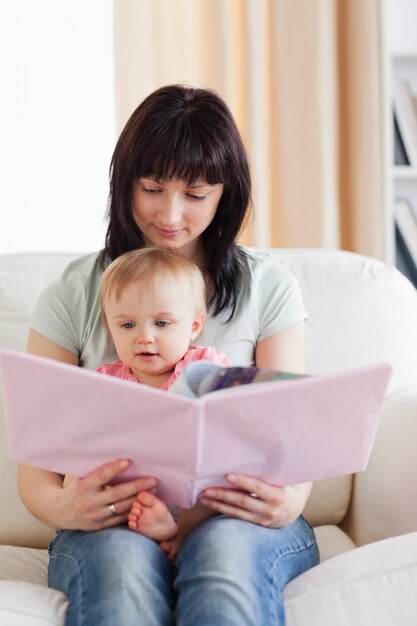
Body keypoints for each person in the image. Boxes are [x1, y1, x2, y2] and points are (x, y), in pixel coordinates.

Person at [17, 84, 319, 626]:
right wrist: (63, 507)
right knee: (122, 570)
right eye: (152, 187)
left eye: (196, 194)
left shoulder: (269, 288)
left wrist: (291, 500)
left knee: (224, 560)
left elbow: (292, 443)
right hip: (113, 525)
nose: (170, 215)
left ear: (226, 193)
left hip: (236, 520)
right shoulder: (72, 293)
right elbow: (34, 467)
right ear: (124, 183)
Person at [97, 246, 231, 558]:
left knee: (221, 485)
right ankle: (156, 521)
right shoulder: (106, 381)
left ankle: (182, 529)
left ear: (194, 326)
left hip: (199, 491)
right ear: (110, 325)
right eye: (127, 325)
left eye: (162, 323)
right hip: (140, 486)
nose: (144, 337)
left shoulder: (206, 366)